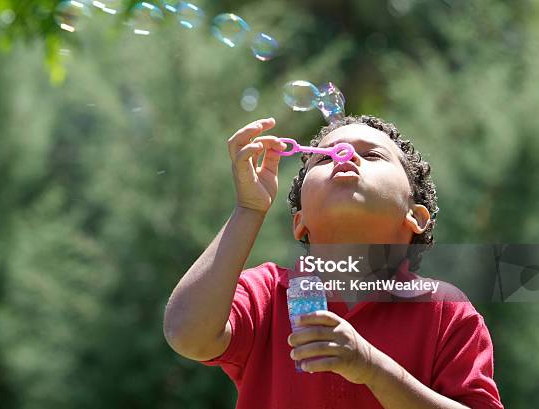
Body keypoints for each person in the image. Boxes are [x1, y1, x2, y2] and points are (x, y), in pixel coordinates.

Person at [162, 115, 504, 408]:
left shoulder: (446, 311)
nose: (344, 157)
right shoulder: (268, 294)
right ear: (300, 222)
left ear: (416, 216)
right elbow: (187, 335)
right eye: (324, 160)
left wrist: (370, 366)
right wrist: (248, 210)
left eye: (371, 155)